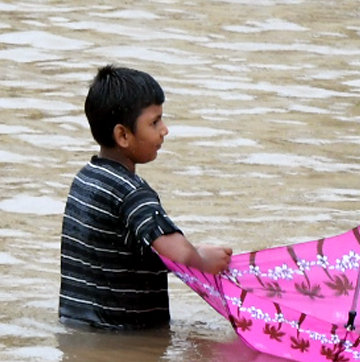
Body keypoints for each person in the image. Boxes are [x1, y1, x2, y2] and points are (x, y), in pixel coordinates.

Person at [59, 65, 231, 331]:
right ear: (123, 135)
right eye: (154, 122)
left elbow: (119, 254)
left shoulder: (85, 178)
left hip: (77, 327)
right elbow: (179, 254)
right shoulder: (133, 193)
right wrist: (202, 259)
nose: (164, 130)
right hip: (123, 335)